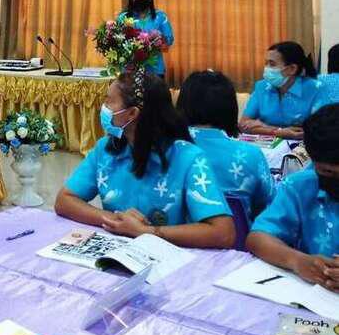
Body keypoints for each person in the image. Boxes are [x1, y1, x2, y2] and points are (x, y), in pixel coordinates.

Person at [54, 70, 235, 249]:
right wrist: (115, 220)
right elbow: (64, 200)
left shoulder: (188, 158)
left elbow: (223, 233)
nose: (104, 108)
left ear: (132, 113)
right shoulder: (106, 149)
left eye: (109, 102)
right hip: (118, 252)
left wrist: (146, 232)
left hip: (171, 256)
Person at [246, 104, 339, 291]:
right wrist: (297, 261)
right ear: (314, 161)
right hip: (316, 297)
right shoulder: (301, 187)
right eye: (328, 172)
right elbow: (257, 238)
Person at [176, 71, 274, 220]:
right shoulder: (251, 155)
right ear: (230, 108)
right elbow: (270, 208)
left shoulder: (165, 150)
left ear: (182, 105)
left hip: (171, 234)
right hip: (238, 234)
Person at [240, 41, 324, 139]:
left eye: (272, 64)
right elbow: (243, 124)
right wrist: (277, 131)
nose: (266, 68)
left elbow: (320, 130)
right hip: (268, 143)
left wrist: (263, 126)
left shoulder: (315, 89)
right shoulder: (262, 87)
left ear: (292, 69)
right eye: (266, 63)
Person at [118, 0, 174, 77]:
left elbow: (169, 39)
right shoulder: (123, 17)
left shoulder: (160, 16)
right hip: (129, 70)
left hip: (155, 69)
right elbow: (117, 40)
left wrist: (159, 40)